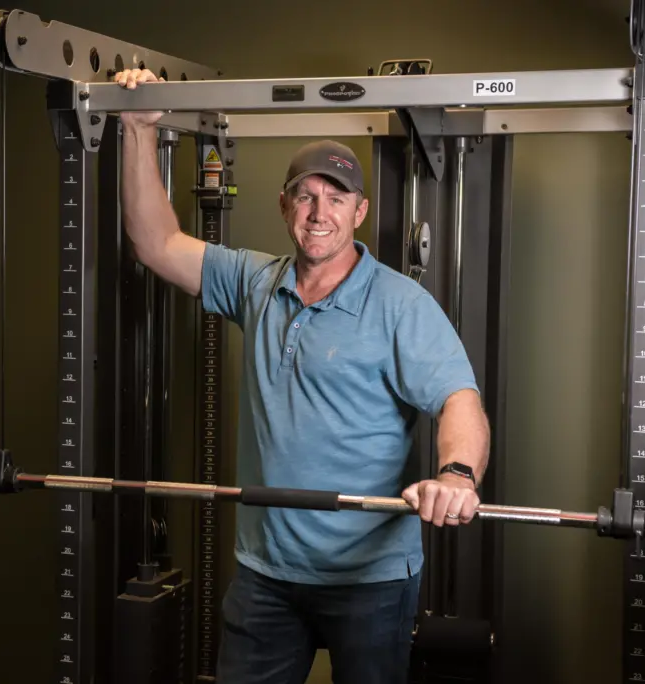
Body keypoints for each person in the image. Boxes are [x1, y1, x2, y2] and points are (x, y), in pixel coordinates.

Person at [113, 67, 491, 684]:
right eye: (307, 196)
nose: (320, 213)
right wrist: (134, 129)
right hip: (266, 574)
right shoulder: (255, 281)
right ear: (285, 203)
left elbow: (459, 400)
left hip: (367, 579)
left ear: (359, 211)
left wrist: (455, 474)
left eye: (336, 198)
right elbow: (156, 243)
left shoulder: (399, 304)